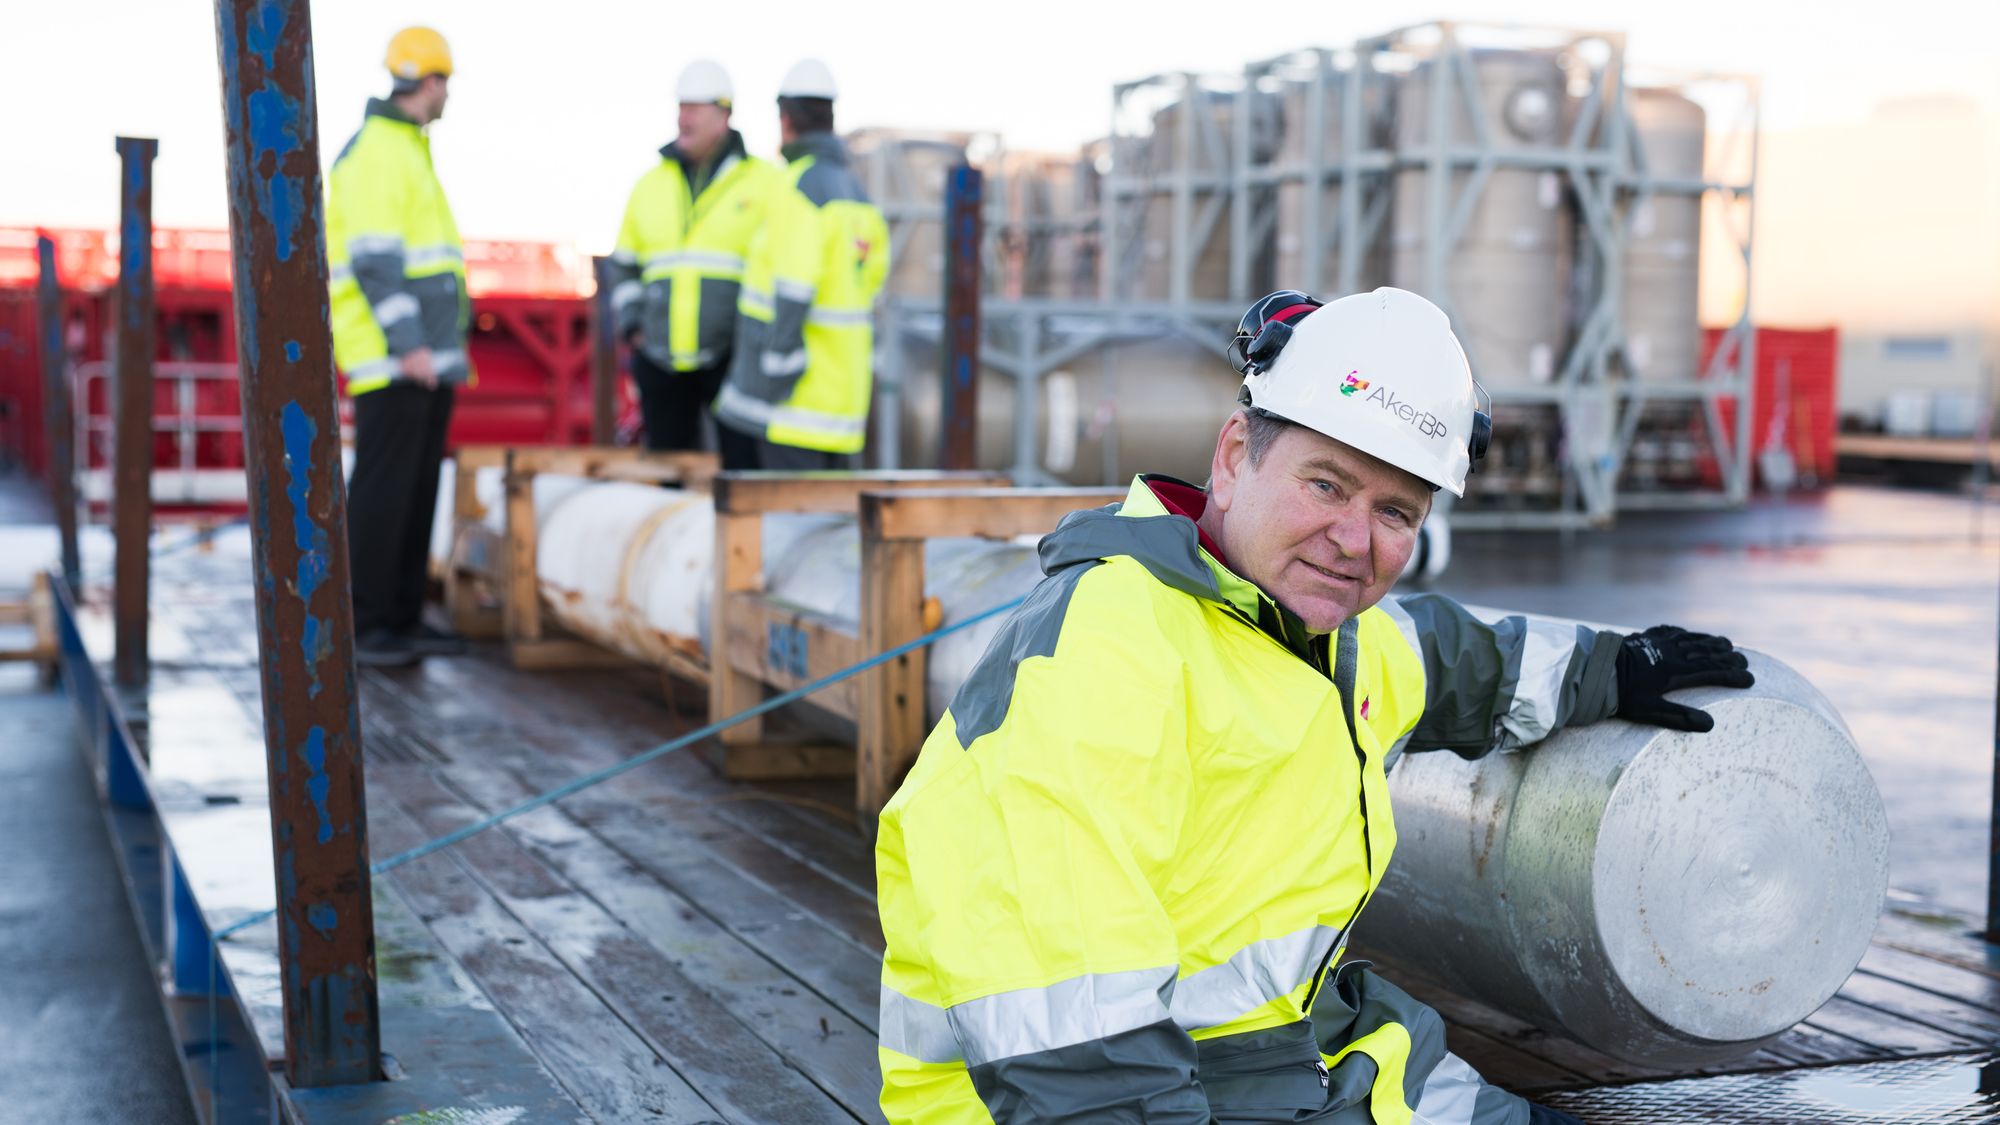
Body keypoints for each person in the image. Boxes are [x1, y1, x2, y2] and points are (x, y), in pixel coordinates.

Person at [874, 288, 1755, 1123]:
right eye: (1325, 485)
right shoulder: (1108, 651)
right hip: (1072, 1097)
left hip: (1288, 1062)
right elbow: (1073, 1041)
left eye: (1396, 512)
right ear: (1232, 457)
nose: (1353, 541)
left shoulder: (1325, 638)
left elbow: (1457, 660)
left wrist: (1612, 666)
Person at [327, 26, 470, 667]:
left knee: (414, 490)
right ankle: (368, 623)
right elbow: (376, 262)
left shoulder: (405, 147)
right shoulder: (382, 151)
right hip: (394, 358)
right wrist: (410, 343)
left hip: (422, 358)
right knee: (386, 489)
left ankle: (403, 616)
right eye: (446, 85)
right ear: (431, 82)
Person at [713, 58, 889, 471]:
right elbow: (873, 278)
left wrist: (777, 370)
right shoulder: (858, 194)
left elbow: (794, 287)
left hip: (793, 407)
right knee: (833, 532)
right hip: (842, 408)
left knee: (791, 532)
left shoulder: (797, 188)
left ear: (785, 118)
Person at [608, 60, 780, 460]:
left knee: (740, 473)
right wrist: (634, 326)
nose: (683, 117)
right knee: (669, 477)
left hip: (732, 361)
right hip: (661, 362)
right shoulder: (649, 185)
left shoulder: (765, 184)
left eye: (695, 108)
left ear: (723, 115)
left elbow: (778, 266)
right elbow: (625, 264)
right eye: (681, 107)